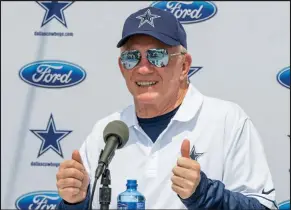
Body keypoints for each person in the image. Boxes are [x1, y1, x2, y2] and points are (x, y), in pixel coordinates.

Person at [56, 6, 278, 210]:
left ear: (184, 66)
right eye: (132, 57)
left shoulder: (227, 121)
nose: (143, 69)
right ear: (122, 67)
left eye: (157, 56)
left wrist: (204, 194)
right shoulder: (107, 131)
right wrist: (73, 202)